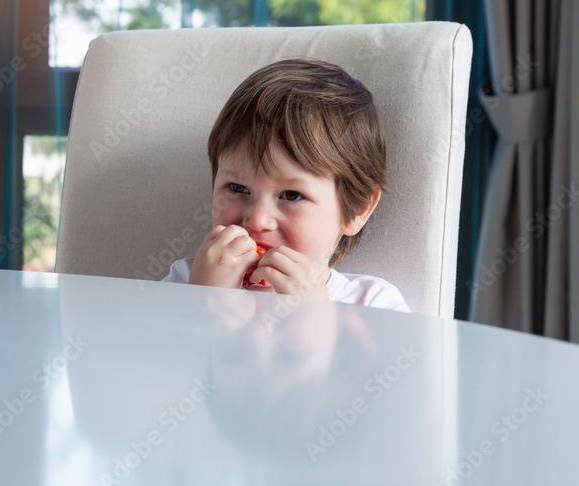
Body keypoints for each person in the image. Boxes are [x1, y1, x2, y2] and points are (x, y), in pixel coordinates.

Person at [161, 58, 410, 312]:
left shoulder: (372, 303)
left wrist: (317, 322)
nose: (257, 221)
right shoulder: (186, 281)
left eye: (291, 195)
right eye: (238, 188)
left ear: (356, 209)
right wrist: (198, 304)